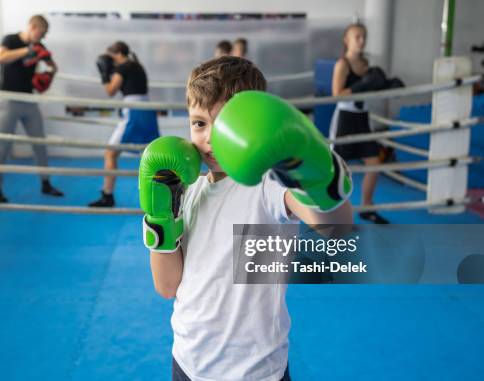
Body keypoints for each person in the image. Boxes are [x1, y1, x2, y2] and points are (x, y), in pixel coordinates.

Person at [139, 56, 354, 381]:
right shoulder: (189, 187)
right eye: (199, 123)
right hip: (188, 360)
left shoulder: (266, 184)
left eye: (224, 124)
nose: (209, 138)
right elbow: (167, 286)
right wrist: (160, 214)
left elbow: (334, 227)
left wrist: (308, 166)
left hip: (254, 371)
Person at [0, 14, 63, 203]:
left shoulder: (40, 46)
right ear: (32, 26)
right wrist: (28, 50)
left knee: (40, 143)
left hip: (28, 100)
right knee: (3, 146)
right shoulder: (11, 39)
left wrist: (47, 75)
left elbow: (53, 66)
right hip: (9, 99)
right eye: (42, 32)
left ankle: (46, 184)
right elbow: (0, 57)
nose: (43, 37)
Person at [330, 22, 389, 224]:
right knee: (338, 170)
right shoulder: (342, 64)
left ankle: (366, 206)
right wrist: (361, 86)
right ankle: (335, 215)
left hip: (363, 117)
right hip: (345, 119)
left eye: (363, 36)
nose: (361, 41)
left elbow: (373, 89)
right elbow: (335, 95)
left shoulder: (366, 65)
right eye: (357, 36)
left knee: (374, 163)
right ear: (347, 40)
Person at [88, 41, 160, 207]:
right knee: (150, 154)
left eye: (111, 56)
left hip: (134, 111)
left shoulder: (124, 67)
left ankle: (108, 195)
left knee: (110, 153)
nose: (109, 60)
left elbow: (110, 91)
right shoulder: (136, 65)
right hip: (146, 110)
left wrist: (104, 74)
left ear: (119, 53)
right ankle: (164, 194)